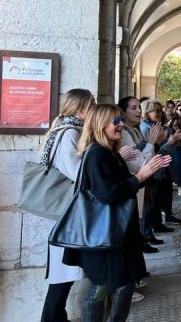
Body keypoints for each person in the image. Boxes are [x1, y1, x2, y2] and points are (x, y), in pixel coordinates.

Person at [63, 104, 170, 321]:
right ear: (100, 124)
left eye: (120, 119)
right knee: (105, 286)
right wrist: (140, 176)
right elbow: (107, 193)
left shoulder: (108, 152)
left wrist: (144, 174)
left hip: (118, 234)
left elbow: (121, 184)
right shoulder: (97, 154)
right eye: (115, 121)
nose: (121, 124)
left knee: (123, 283)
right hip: (107, 234)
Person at [39, 89, 95, 322]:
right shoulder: (69, 133)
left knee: (66, 271)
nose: (94, 108)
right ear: (81, 108)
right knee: (63, 272)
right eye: (91, 104)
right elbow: (76, 172)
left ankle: (56, 316)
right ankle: (52, 318)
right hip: (66, 212)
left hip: (68, 211)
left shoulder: (67, 131)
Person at [118, 96, 168, 254]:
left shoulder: (134, 129)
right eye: (133, 108)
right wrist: (151, 143)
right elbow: (140, 162)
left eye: (139, 107)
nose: (139, 111)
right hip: (133, 180)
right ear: (122, 112)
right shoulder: (124, 133)